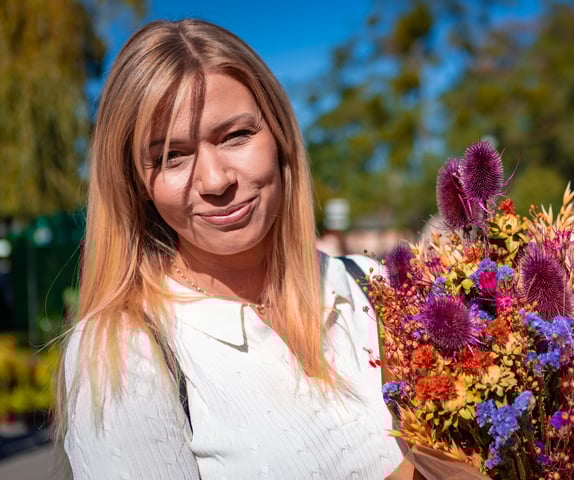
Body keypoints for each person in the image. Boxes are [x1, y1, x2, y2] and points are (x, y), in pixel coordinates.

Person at [54, 19, 411, 479]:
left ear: (279, 133)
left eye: (236, 136)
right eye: (171, 157)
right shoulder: (125, 353)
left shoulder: (372, 286)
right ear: (136, 184)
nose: (217, 180)